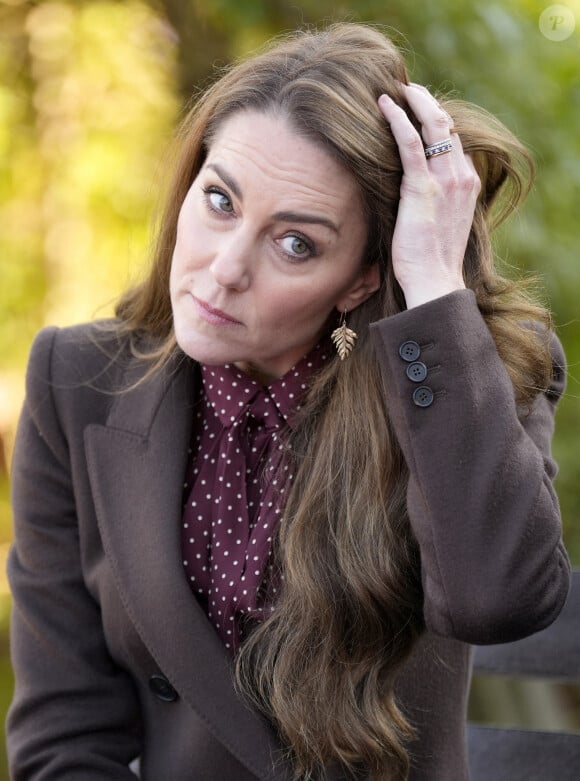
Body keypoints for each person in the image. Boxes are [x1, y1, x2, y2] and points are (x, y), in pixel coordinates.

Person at [6, 22, 570, 781]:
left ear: (363, 277)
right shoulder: (75, 381)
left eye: (295, 243)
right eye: (219, 200)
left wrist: (435, 287)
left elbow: (497, 601)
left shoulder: (466, 376)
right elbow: (65, 733)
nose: (225, 266)